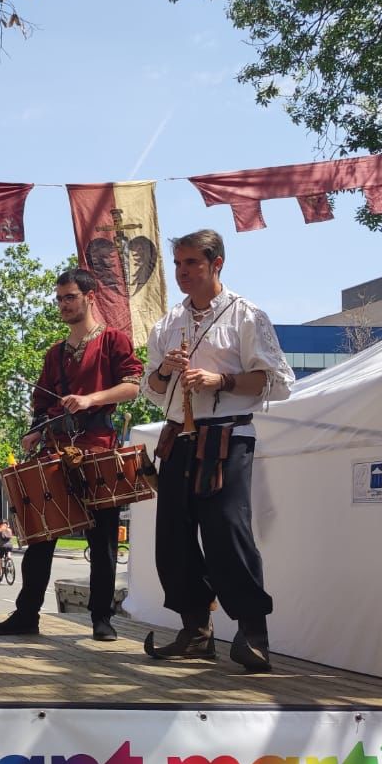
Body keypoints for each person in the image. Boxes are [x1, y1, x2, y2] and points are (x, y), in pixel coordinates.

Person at [142, 229, 294, 671]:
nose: (183, 272)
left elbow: (272, 381)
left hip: (227, 435)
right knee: (173, 537)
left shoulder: (245, 315)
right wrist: (166, 372)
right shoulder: (167, 324)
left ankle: (253, 632)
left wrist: (220, 380)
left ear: (217, 264)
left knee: (227, 530)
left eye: (192, 263)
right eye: (179, 264)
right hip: (177, 437)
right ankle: (195, 631)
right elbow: (151, 390)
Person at [0, 268, 143, 642]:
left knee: (103, 540)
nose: (63, 305)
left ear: (90, 297)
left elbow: (132, 387)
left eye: (69, 297)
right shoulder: (54, 353)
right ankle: (26, 615)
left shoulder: (113, 341)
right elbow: (42, 404)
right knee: (41, 536)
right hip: (57, 453)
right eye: (59, 299)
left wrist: (90, 399)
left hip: (98, 450)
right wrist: (36, 431)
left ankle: (101, 619)